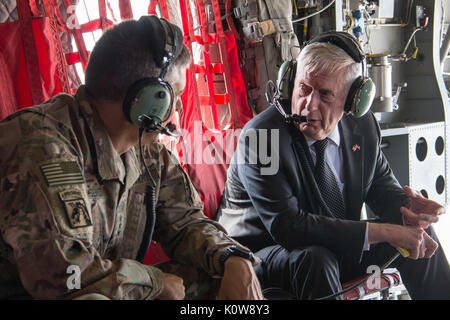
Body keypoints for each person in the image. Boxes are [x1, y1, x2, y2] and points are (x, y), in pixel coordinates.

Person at [0, 15, 263, 300]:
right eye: (175, 96)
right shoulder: (43, 147)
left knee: (218, 276)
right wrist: (155, 283)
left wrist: (232, 258)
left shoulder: (146, 152)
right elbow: (68, 278)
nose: (176, 110)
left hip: (104, 288)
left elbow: (186, 221)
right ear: (150, 99)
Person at [218, 31, 450, 300]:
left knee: (417, 236)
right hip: (260, 258)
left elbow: (382, 188)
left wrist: (409, 210)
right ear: (289, 82)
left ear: (353, 101)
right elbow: (288, 227)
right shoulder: (261, 138)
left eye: (326, 95)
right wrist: (386, 231)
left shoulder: (362, 127)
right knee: (316, 259)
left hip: (332, 246)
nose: (308, 105)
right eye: (303, 88)